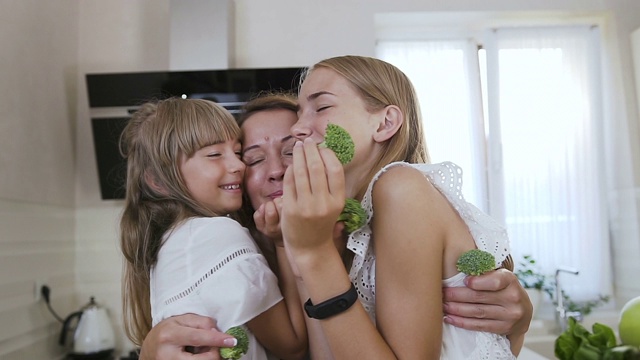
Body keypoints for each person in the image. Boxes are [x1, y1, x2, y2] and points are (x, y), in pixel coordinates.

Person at [137, 92, 532, 360]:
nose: (276, 170)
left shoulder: (395, 240)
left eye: (294, 151)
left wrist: (517, 324)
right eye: (253, 158)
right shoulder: (220, 253)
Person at [277, 55, 525, 358]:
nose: (298, 129)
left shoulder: (399, 187)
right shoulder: (356, 221)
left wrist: (313, 255)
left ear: (385, 123)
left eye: (323, 106)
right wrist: (309, 258)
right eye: (299, 114)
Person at [119, 97, 307, 360]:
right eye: (214, 154)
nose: (238, 165)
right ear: (158, 181)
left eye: (238, 153)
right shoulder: (217, 234)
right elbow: (293, 346)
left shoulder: (175, 240)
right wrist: (283, 240)